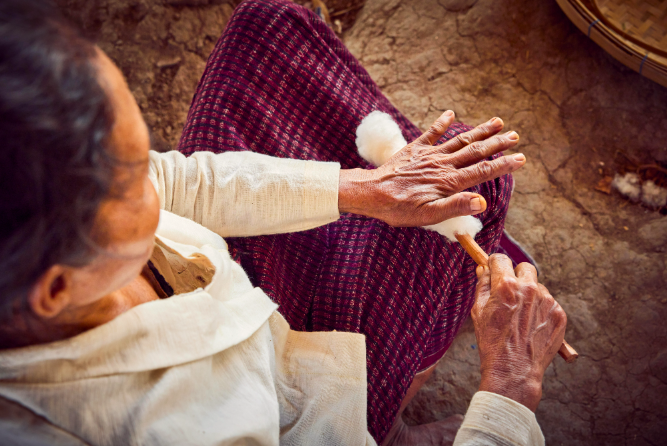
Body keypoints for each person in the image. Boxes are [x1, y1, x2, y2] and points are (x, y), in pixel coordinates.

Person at [0, 0, 567, 445]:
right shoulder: (140, 430)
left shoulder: (51, 250)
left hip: (245, 306)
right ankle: (385, 429)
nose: (154, 175)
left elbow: (176, 181)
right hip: (311, 419)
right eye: (130, 184)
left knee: (265, 28)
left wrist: (364, 189)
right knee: (475, 197)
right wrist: (508, 392)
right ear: (54, 288)